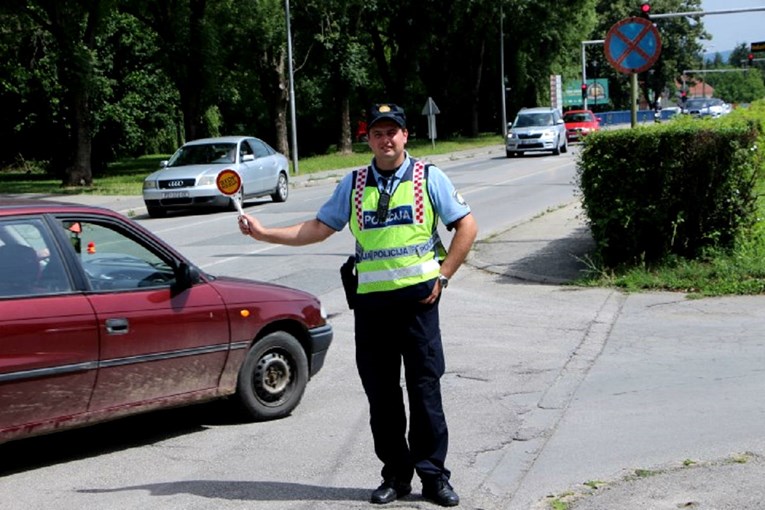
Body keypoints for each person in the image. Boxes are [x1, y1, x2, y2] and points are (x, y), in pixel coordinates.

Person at [238, 103, 477, 507]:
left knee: (424, 392)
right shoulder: (354, 183)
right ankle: (396, 476)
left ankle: (434, 477)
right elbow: (317, 228)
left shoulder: (427, 177)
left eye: (393, 132)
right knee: (381, 396)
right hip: (372, 309)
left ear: (405, 136)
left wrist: (444, 274)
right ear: (369, 138)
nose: (387, 139)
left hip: (419, 303)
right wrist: (265, 234)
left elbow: (466, 225)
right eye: (378, 133)